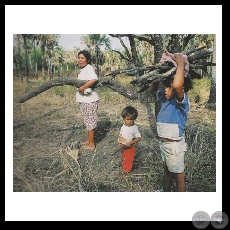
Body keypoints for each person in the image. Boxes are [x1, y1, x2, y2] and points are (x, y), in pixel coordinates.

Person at [155, 52, 193, 192]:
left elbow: (177, 86)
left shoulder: (181, 101)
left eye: (170, 85)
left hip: (174, 145)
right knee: (166, 169)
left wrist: (181, 64)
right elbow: (153, 86)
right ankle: (166, 191)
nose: (167, 88)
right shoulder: (164, 97)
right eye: (167, 84)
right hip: (164, 143)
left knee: (178, 175)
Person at [76, 50, 99, 150]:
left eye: (82, 58)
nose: (80, 60)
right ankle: (89, 140)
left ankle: (91, 144)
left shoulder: (89, 68)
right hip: (85, 100)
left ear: (88, 59)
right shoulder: (84, 69)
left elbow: (94, 79)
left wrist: (83, 88)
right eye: (79, 58)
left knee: (90, 121)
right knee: (87, 120)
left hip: (90, 100)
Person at [118, 105, 141, 178]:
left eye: (132, 119)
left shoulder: (134, 128)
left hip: (130, 147)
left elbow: (139, 138)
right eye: (127, 119)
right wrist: (120, 138)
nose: (130, 121)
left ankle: (126, 172)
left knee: (128, 159)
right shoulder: (123, 126)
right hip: (123, 145)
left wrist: (131, 143)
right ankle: (125, 169)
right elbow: (121, 134)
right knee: (124, 158)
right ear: (123, 118)